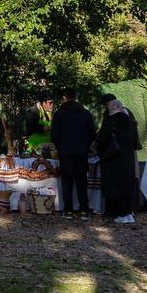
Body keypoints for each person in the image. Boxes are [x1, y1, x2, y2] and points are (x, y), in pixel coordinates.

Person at [49, 91, 96, 219]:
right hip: (81, 152)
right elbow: (92, 133)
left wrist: (60, 147)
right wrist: (85, 146)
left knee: (67, 182)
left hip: (65, 153)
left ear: (64, 98)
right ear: (76, 97)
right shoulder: (85, 113)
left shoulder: (59, 114)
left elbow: (54, 135)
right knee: (81, 181)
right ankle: (84, 211)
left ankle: (68, 210)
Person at [96, 94, 139, 223]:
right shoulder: (130, 122)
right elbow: (135, 142)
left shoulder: (110, 121)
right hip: (128, 158)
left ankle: (122, 214)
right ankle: (129, 214)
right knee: (127, 185)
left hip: (114, 159)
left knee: (116, 186)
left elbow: (102, 140)